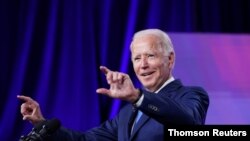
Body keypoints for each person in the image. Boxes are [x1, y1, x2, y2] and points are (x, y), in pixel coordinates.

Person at [18, 29, 209, 141]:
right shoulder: (127, 114)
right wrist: (42, 124)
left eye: (150, 56)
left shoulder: (192, 95)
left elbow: (188, 122)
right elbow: (85, 140)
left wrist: (138, 97)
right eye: (137, 58)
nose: (142, 65)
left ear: (170, 59)